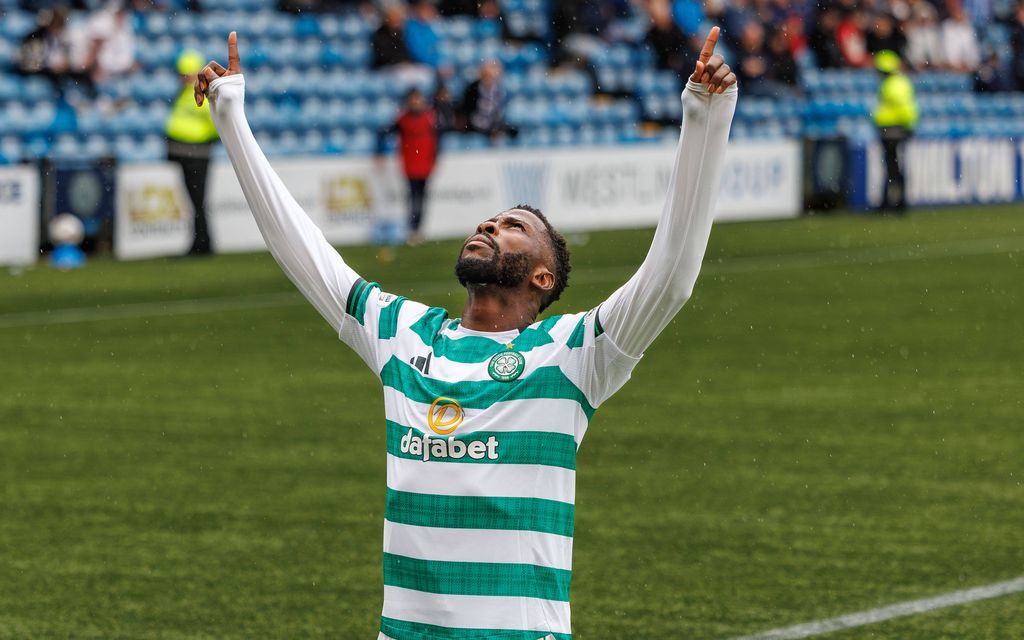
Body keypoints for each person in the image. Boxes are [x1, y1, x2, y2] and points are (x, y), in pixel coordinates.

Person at [195, 28, 736, 640]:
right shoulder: (403, 333)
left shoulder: (573, 353)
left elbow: (671, 277)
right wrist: (232, 117)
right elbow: (300, 249)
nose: (490, 225)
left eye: (513, 227)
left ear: (542, 276)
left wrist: (705, 118)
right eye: (490, 220)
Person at [166, 50, 219, 255]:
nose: (183, 78)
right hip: (189, 153)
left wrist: (205, 140)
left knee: (197, 200)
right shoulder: (185, 93)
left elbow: (215, 121)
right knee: (195, 200)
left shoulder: (200, 94)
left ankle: (202, 243)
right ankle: (201, 241)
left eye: (185, 74)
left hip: (196, 154)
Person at [376, 88, 439, 245]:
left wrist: (434, 159)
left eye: (418, 99)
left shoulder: (429, 118)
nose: (416, 102)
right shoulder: (403, 119)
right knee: (413, 196)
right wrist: (379, 151)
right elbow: (384, 132)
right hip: (410, 164)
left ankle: (417, 228)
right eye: (413, 99)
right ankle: (412, 228)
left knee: (421, 197)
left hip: (425, 164)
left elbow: (438, 140)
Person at [872, 50, 918, 213]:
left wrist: (906, 125)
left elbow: (901, 107)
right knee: (894, 166)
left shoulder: (892, 84)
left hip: (893, 130)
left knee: (892, 167)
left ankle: (892, 202)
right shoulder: (899, 82)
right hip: (896, 129)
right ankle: (896, 202)